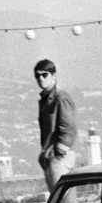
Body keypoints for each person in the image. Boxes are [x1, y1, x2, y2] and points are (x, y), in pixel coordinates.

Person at [35, 58, 78, 192]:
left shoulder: (61, 97)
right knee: (58, 202)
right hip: (51, 157)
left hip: (59, 158)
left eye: (44, 74)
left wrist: (59, 151)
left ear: (53, 75)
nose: (41, 78)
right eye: (37, 75)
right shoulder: (45, 100)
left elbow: (69, 126)